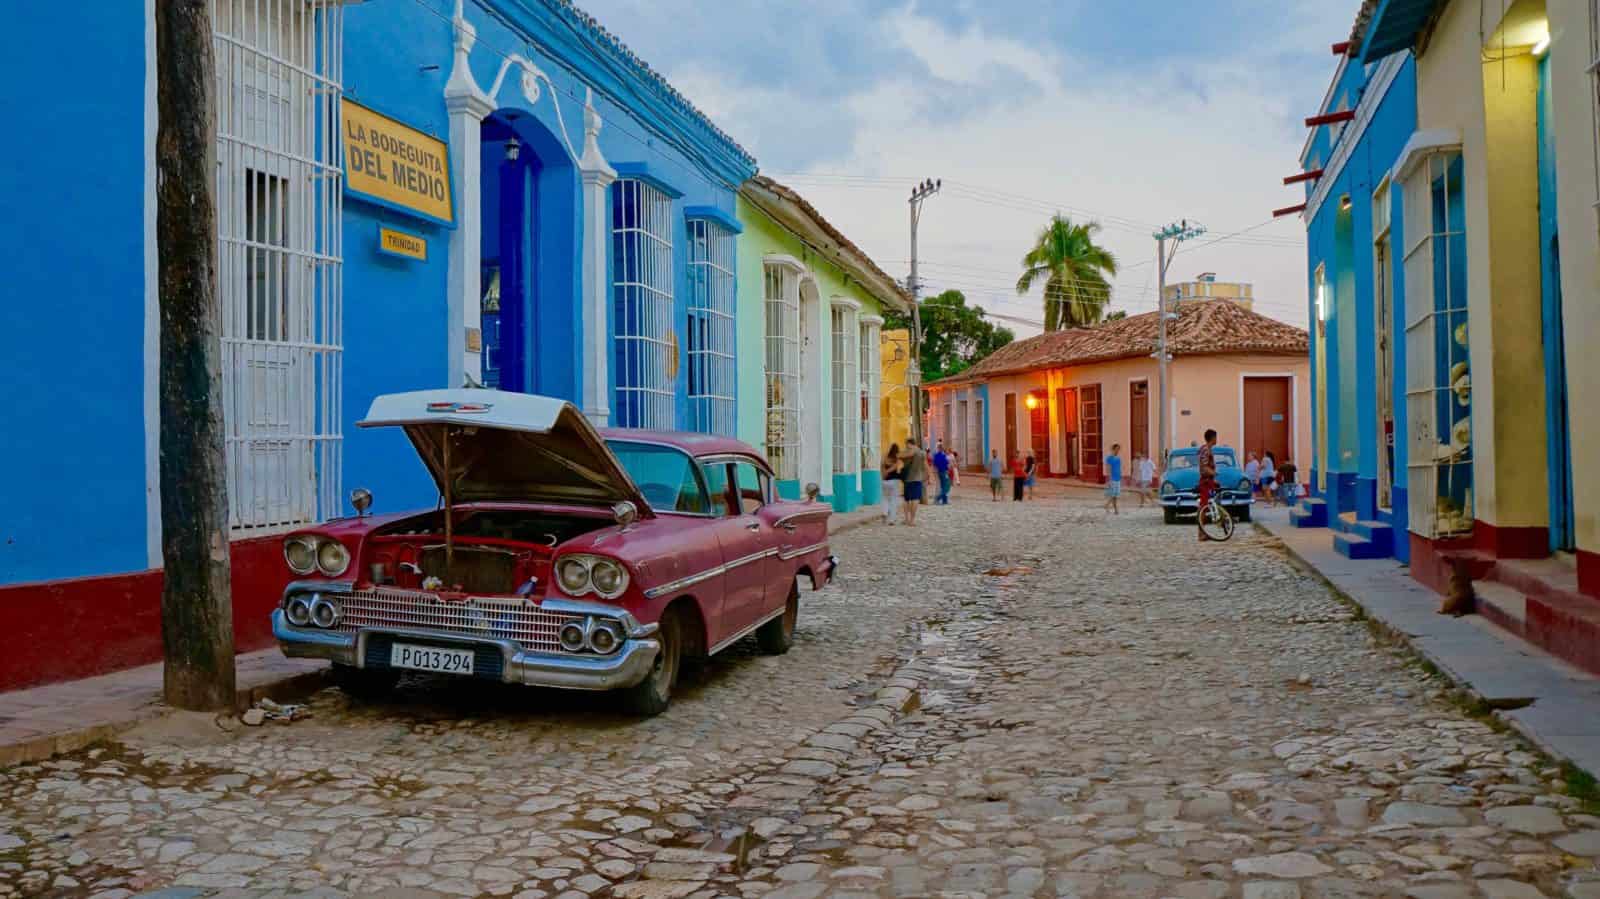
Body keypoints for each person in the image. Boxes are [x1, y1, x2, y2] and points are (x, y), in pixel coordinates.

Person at [1197, 428, 1219, 542]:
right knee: (1204, 507)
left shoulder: (1208, 449)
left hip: (1209, 480)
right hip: (1205, 480)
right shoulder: (1205, 450)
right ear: (1213, 438)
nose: (1217, 439)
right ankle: (1201, 533)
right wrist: (1214, 473)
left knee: (1208, 505)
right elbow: (1204, 467)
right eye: (1216, 437)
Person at [900, 437, 926, 526]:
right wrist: (927, 476)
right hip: (918, 478)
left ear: (909, 443)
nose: (906, 446)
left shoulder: (909, 452)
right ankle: (912, 520)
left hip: (908, 479)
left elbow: (900, 457)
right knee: (915, 499)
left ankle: (907, 519)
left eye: (906, 444)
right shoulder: (922, 453)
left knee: (906, 499)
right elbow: (925, 466)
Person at [880, 444, 903, 525]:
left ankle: (884, 512)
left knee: (884, 498)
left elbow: (882, 466)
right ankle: (892, 520)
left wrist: (883, 475)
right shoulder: (898, 459)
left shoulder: (885, 457)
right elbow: (899, 470)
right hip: (894, 481)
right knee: (893, 500)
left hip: (885, 481)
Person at [1104, 443, 1124, 515]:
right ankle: (1110, 507)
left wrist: (1121, 476)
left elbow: (1119, 468)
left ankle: (1113, 508)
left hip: (1118, 478)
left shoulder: (1119, 458)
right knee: (1113, 495)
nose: (1117, 451)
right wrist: (1109, 479)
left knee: (1116, 495)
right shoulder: (1109, 458)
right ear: (1113, 449)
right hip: (1112, 478)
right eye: (1116, 449)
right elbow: (1108, 469)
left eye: (1118, 449)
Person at [932, 441, 952, 505]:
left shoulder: (936, 455)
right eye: (941, 447)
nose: (942, 448)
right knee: (947, 486)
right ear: (940, 448)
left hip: (939, 472)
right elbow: (946, 464)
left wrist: (935, 471)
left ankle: (944, 500)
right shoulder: (942, 455)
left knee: (943, 486)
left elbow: (934, 465)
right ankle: (938, 498)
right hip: (943, 472)